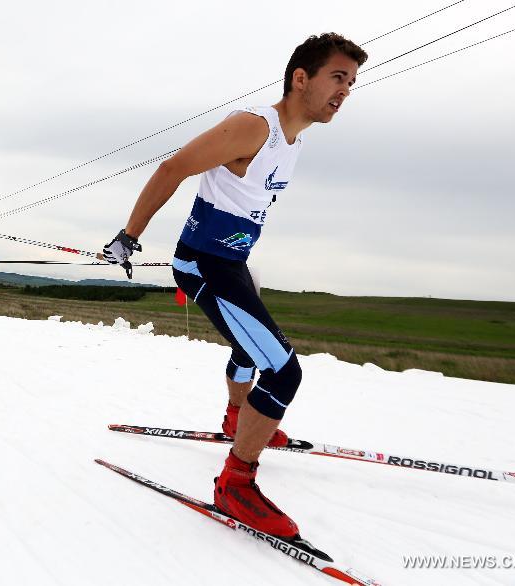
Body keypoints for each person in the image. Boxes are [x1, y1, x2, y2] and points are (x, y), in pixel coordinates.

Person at [102, 34, 367, 539]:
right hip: (203, 264)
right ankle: (235, 482)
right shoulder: (255, 128)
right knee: (284, 373)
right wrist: (128, 237)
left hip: (234, 262)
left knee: (249, 349)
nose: (345, 91)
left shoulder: (296, 140)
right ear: (301, 78)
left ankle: (234, 417)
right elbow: (173, 167)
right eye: (338, 78)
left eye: (352, 83)